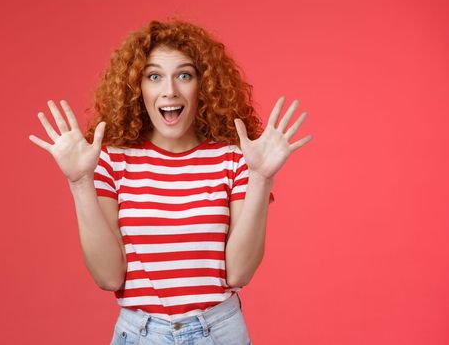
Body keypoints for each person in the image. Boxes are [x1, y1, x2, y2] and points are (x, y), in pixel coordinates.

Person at [28, 18, 312, 345]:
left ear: (203, 85)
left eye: (184, 75)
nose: (169, 91)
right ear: (137, 87)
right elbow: (108, 277)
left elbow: (238, 273)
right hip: (139, 334)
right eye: (154, 76)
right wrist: (80, 182)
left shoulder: (235, 159)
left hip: (219, 333)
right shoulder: (110, 161)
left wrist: (261, 178)